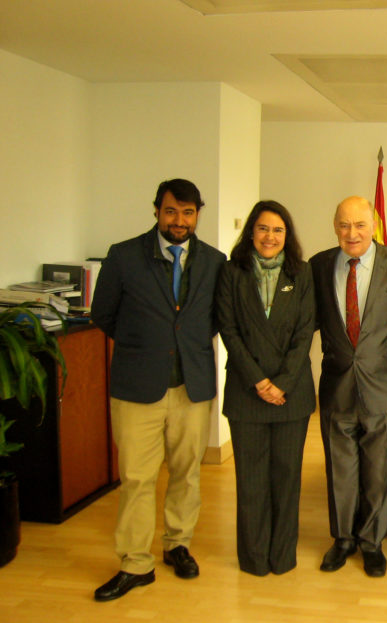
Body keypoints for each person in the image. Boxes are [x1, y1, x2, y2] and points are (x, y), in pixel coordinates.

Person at [90, 178, 225, 601]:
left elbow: (216, 318)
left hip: (192, 385)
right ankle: (135, 563)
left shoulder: (215, 261)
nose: (179, 221)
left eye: (187, 213)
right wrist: (145, 345)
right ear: (156, 211)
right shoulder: (124, 256)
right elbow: (103, 315)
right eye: (171, 212)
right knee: (136, 478)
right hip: (137, 388)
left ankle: (177, 544)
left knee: (186, 472)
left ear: (198, 214)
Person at [309, 196, 387, 578]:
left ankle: (371, 543)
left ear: (372, 225)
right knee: (339, 469)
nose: (351, 233)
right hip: (336, 387)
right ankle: (342, 539)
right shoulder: (319, 266)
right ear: (334, 226)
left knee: (379, 470)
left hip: (385, 391)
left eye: (359, 225)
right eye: (343, 225)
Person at [215, 200, 316, 576]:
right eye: (262, 228)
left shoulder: (302, 274)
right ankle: (254, 558)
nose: (270, 236)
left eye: (278, 230)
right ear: (250, 232)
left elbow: (305, 332)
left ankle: (282, 557)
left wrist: (282, 383)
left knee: (287, 479)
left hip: (292, 396)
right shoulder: (231, 272)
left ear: (287, 236)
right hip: (247, 392)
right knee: (252, 481)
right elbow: (229, 330)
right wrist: (260, 381)